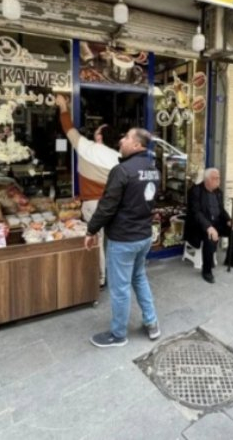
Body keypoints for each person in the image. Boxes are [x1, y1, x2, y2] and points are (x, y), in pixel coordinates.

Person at [84, 128, 160, 347]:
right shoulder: (154, 170)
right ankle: (152, 323)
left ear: (137, 145)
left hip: (124, 239)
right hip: (143, 236)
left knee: (120, 288)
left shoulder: (122, 170)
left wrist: (91, 230)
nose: (121, 140)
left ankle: (118, 334)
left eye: (126, 137)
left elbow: (107, 206)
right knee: (139, 277)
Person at [55, 94, 120, 288]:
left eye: (97, 130)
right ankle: (114, 273)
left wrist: (63, 106)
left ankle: (100, 278)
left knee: (96, 240)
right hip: (112, 205)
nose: (95, 132)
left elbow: (68, 128)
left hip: (94, 205)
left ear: (100, 137)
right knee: (112, 241)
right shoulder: (118, 157)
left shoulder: (89, 148)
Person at [184, 168, 233, 284]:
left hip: (216, 223)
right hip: (200, 226)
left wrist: (228, 220)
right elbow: (196, 213)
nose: (218, 181)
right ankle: (206, 271)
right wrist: (209, 227)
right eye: (215, 178)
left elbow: (221, 210)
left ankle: (231, 259)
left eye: (219, 178)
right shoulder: (195, 191)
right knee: (210, 237)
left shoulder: (218, 192)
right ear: (207, 180)